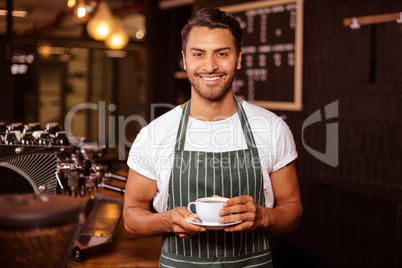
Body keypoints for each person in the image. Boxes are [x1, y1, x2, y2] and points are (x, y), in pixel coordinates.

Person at [123, 7, 302, 267]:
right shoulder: (154, 134)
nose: (210, 66)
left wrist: (262, 216)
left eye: (222, 53)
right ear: (184, 60)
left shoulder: (273, 128)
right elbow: (130, 216)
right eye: (198, 54)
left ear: (238, 59)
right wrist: (167, 221)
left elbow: (293, 210)